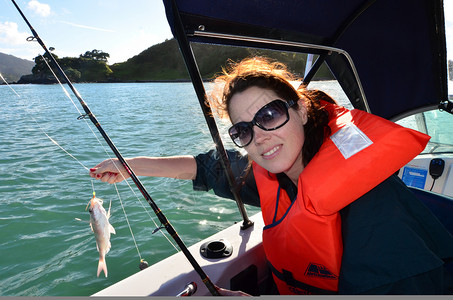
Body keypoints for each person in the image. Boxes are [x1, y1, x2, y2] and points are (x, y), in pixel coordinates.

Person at [90, 57, 453, 295]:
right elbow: (209, 167)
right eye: (243, 130)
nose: (259, 136)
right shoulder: (273, 173)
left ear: (303, 111)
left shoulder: (376, 211)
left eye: (269, 115)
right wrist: (129, 166)